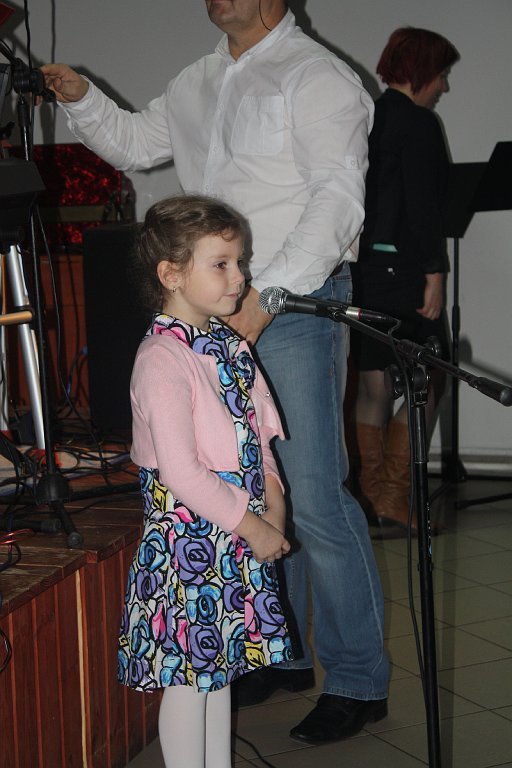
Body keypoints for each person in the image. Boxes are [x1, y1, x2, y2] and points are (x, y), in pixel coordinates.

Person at [41, 0, 389, 743]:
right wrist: (84, 98)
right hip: (211, 310)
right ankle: (279, 653)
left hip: (290, 302)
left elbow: (337, 199)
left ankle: (358, 678)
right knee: (241, 483)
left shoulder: (317, 75)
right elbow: (137, 144)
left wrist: (266, 298)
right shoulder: (198, 78)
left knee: (310, 494)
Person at [118, 194, 292, 768]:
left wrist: (274, 509)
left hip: (234, 535)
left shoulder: (230, 345)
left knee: (218, 674)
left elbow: (259, 438)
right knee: (190, 680)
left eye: (240, 262)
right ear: (172, 274)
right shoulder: (161, 359)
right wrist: (252, 526)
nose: (240, 277)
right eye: (221, 264)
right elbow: (182, 472)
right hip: (188, 544)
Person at [349, 27, 460, 533]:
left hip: (365, 270)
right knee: (430, 377)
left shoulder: (368, 116)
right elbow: (423, 206)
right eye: (442, 74)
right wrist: (435, 272)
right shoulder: (418, 123)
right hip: (405, 272)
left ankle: (373, 499)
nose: (444, 86)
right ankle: (394, 498)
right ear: (422, 72)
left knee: (374, 383)